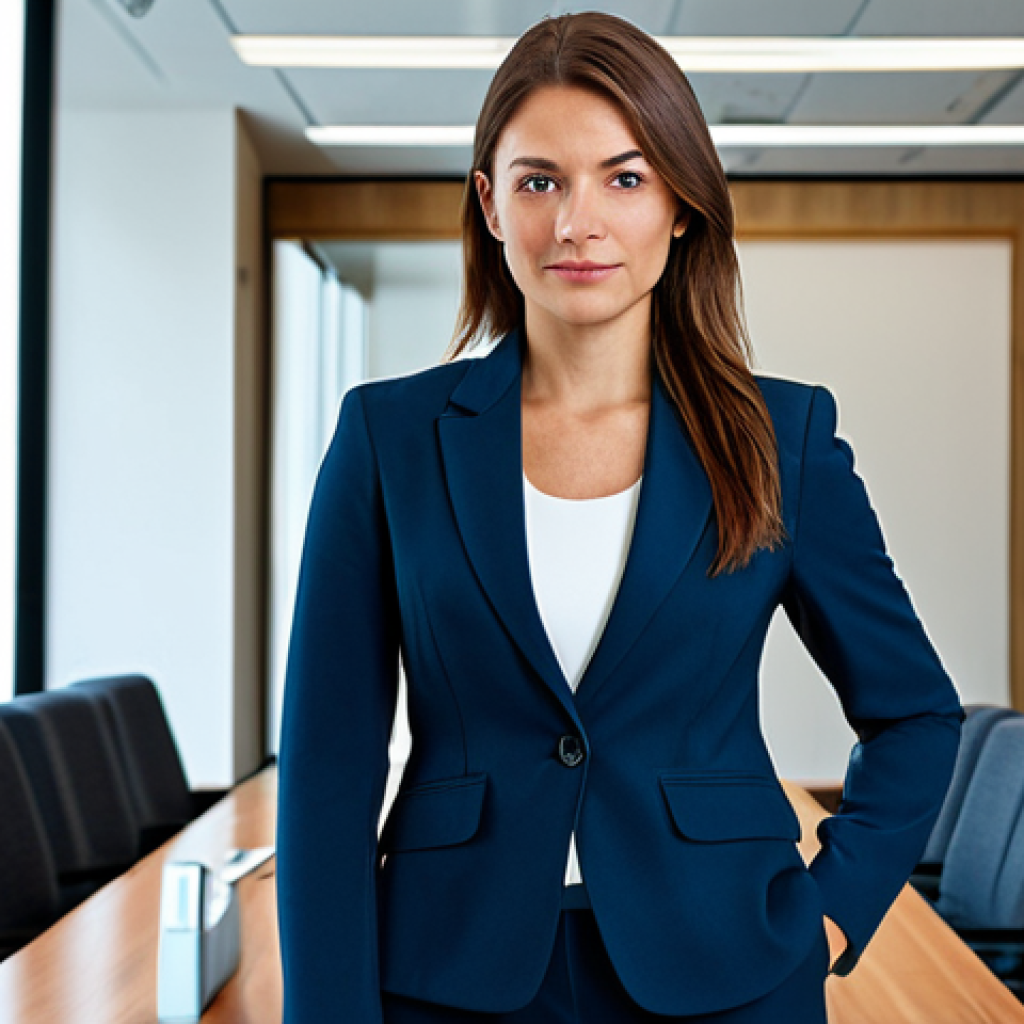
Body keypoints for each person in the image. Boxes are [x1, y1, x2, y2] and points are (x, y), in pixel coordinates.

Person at [276, 11, 965, 1023]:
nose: (576, 221)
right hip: (447, 968)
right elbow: (327, 767)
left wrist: (826, 914)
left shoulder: (781, 436)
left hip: (728, 965)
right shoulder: (388, 438)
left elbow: (915, 712)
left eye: (624, 177)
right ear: (491, 202)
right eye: (539, 179)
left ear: (681, 204)